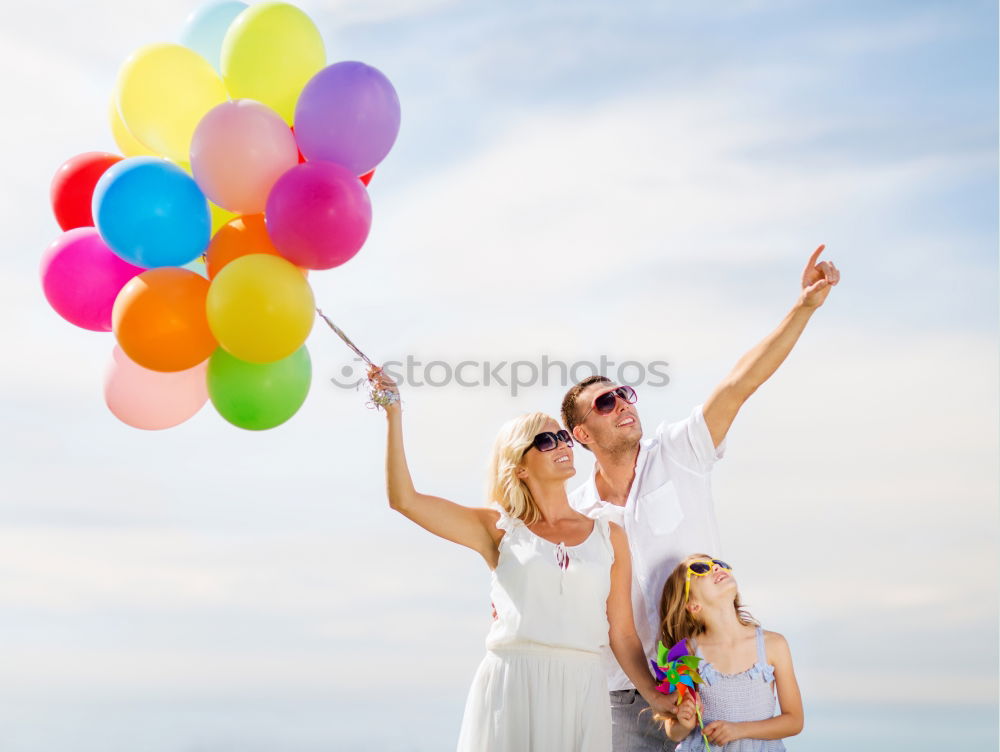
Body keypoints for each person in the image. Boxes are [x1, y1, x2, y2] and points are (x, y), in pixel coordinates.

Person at [560, 246, 837, 750]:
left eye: (624, 393)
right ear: (581, 433)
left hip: (711, 681)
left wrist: (804, 307)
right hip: (622, 695)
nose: (621, 402)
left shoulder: (679, 450)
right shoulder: (576, 512)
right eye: (605, 401)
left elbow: (739, 383)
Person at [368, 367, 678, 752]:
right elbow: (405, 500)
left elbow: (623, 633)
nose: (562, 445)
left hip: (584, 689)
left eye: (563, 436)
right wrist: (393, 413)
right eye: (546, 441)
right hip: (513, 683)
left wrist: (656, 696)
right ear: (519, 466)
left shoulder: (608, 533)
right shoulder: (499, 529)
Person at [657, 555, 803, 750]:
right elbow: (673, 731)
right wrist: (685, 722)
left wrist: (739, 730)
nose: (716, 567)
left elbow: (794, 721)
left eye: (718, 564)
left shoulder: (773, 645)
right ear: (692, 605)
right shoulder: (687, 654)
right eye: (700, 569)